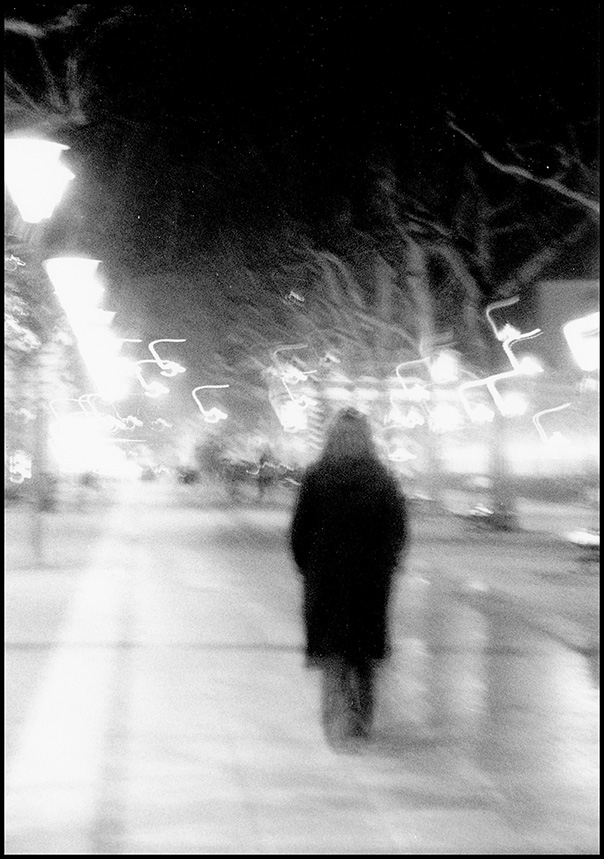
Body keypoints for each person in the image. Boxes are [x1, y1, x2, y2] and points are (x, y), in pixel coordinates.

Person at [289, 407, 408, 750]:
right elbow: (397, 529)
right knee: (364, 650)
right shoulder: (382, 479)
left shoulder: (316, 477)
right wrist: (387, 563)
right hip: (369, 580)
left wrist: (308, 567)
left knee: (333, 648)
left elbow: (299, 531)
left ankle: (335, 708)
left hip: (326, 579)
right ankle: (361, 716)